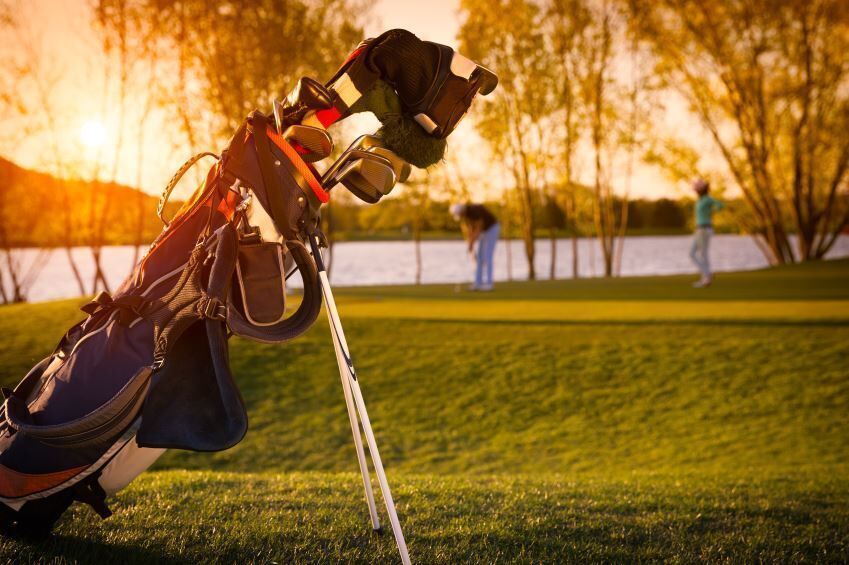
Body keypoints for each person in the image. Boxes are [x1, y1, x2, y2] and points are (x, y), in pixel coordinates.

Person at [450, 202, 500, 291]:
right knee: (479, 258)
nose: (460, 217)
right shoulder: (466, 215)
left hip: (492, 228)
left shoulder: (474, 210)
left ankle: (489, 284)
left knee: (488, 257)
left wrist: (472, 242)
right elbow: (471, 229)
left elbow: (478, 227)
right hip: (484, 231)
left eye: (459, 215)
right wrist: (470, 243)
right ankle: (478, 283)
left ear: (461, 211)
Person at [690, 179, 724, 288]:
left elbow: (720, 205)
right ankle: (706, 275)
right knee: (692, 254)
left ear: (702, 189)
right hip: (699, 229)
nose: (696, 191)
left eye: (697, 189)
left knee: (703, 254)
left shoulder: (707, 199)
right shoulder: (699, 200)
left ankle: (706, 277)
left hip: (705, 229)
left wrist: (710, 212)